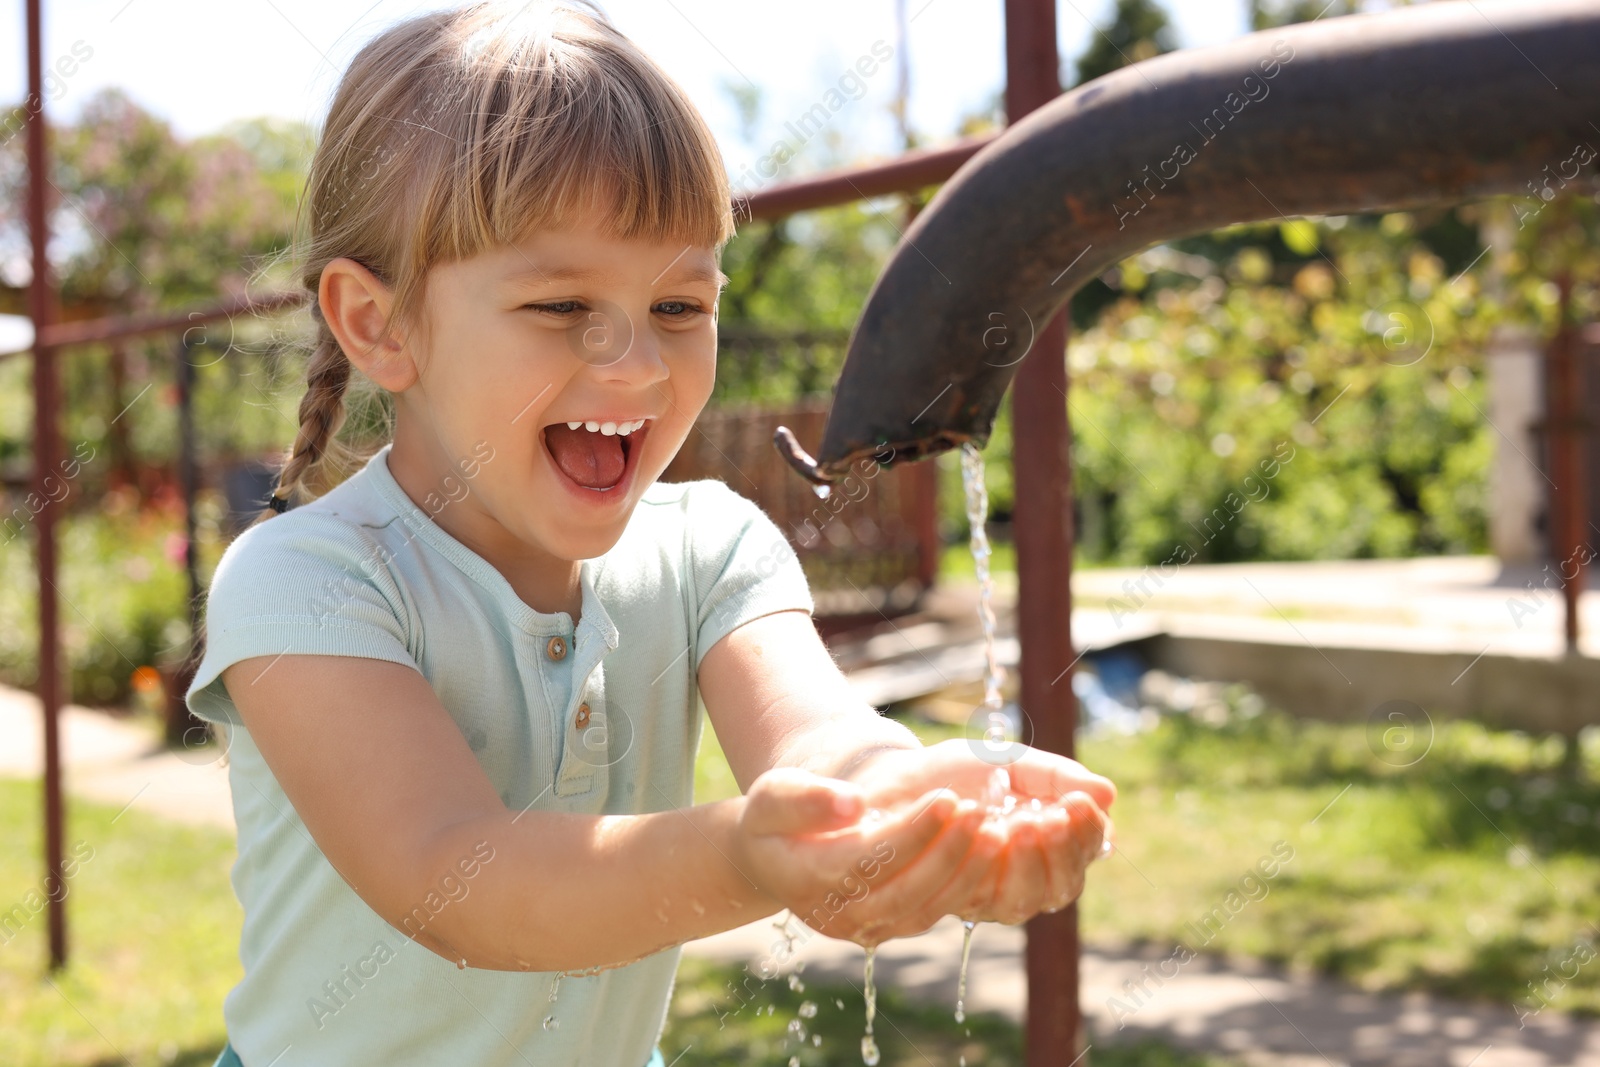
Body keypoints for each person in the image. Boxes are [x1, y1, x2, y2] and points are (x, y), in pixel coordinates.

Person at [184, 3, 1117, 1065]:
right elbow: (457, 878)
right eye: (560, 305)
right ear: (378, 323)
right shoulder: (307, 580)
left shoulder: (709, 548)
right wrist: (747, 859)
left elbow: (819, 738)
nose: (634, 365)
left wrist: (900, 808)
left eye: (679, 306)